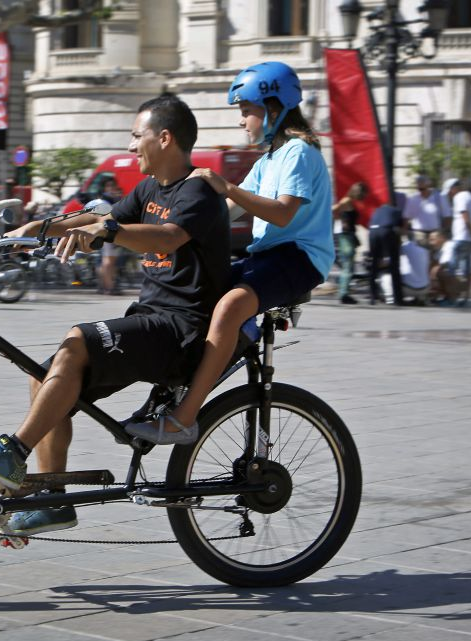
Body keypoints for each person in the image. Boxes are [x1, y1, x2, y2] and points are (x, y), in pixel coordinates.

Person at [0, 93, 232, 535]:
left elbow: (167, 237)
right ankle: (52, 500)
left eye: (137, 136)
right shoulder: (148, 189)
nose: (131, 145)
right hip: (149, 319)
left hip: (181, 330)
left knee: (77, 339)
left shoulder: (196, 189)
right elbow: (95, 219)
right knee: (43, 377)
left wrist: (110, 231)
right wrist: (35, 228)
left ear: (165, 137)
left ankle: (12, 452)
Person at [124, 61, 334, 444]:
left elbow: (283, 213)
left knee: (230, 307)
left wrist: (225, 186)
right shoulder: (270, 158)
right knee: (201, 293)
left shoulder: (299, 153)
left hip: (299, 257)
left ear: (273, 108)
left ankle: (185, 417)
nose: (242, 121)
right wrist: (187, 213)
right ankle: (166, 397)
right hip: (267, 257)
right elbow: (226, 211)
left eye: (246, 111)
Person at [331, 181, 368, 304]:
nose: (363, 196)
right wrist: (340, 220)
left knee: (348, 266)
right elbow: (332, 210)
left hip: (348, 236)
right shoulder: (346, 201)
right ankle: (343, 294)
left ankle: (344, 292)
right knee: (347, 266)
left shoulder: (349, 201)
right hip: (346, 236)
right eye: (363, 193)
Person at [367, 193, 406, 305]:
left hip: (373, 232)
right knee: (394, 264)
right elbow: (399, 229)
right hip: (386, 231)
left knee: (374, 264)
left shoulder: (377, 210)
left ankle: (373, 296)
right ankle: (398, 299)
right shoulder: (397, 211)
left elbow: (370, 224)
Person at [449, 180, 471, 301]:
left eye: (451, 190)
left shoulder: (459, 197)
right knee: (467, 269)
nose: (450, 194)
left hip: (461, 237)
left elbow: (465, 218)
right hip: (470, 239)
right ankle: (466, 296)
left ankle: (452, 296)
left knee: (452, 269)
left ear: (455, 188)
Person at [96, 178, 125, 295]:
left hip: (111, 229)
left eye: (113, 185)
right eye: (109, 186)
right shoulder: (105, 200)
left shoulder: (109, 199)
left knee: (109, 260)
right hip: (107, 230)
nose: (112, 188)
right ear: (104, 188)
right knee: (108, 260)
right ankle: (108, 287)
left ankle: (105, 285)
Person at [403, 175, 445, 248]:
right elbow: (406, 216)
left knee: (435, 256)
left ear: (428, 186)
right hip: (419, 233)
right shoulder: (413, 198)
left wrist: (444, 232)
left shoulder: (438, 197)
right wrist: (405, 231)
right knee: (422, 255)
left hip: (435, 232)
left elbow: (446, 215)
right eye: (419, 189)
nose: (421, 191)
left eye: (423, 189)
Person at [428, 230, 463, 305]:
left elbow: (446, 263)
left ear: (441, 238)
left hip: (459, 276)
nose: (431, 243)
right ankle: (436, 297)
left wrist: (433, 272)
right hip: (451, 273)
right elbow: (434, 262)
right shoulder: (439, 249)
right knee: (434, 271)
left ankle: (452, 299)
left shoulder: (449, 245)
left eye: (433, 240)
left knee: (440, 272)